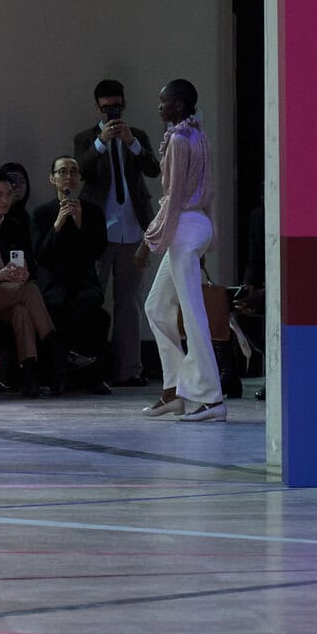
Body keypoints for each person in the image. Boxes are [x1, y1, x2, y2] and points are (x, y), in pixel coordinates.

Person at [143, 77, 224, 422]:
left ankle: (211, 398)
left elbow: (174, 198)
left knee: (192, 314)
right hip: (195, 226)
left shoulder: (179, 139)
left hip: (183, 227)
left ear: (178, 104)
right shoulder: (198, 134)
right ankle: (175, 389)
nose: (159, 107)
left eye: (164, 101)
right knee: (157, 306)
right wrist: (209, 235)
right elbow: (209, 191)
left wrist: (148, 241)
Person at [0, 167, 75, 398]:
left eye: (9, 194)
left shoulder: (15, 222)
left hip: (11, 293)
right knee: (28, 291)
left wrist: (23, 272)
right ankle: (57, 354)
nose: (5, 200)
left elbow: (31, 262)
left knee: (22, 311)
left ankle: (29, 377)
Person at [73, 79, 160, 387]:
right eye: (107, 107)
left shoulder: (138, 135)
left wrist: (131, 142)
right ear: (98, 107)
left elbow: (153, 169)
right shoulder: (85, 138)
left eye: (118, 106)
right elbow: (79, 171)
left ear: (124, 104)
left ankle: (129, 370)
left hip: (133, 228)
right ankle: (91, 370)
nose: (113, 112)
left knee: (130, 303)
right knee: (91, 299)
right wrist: (101, 142)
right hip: (98, 231)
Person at [33, 155, 111, 395]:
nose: (69, 176)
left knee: (91, 307)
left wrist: (79, 224)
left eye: (74, 171)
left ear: (80, 178)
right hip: (54, 283)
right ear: (52, 178)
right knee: (58, 307)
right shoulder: (42, 213)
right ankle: (61, 373)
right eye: (63, 171)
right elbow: (40, 254)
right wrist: (57, 225)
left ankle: (88, 375)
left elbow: (96, 251)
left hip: (83, 281)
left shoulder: (93, 212)